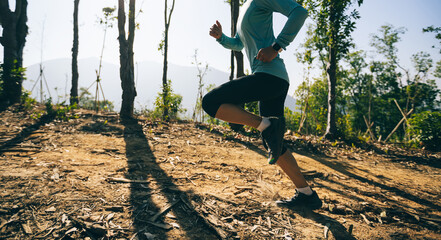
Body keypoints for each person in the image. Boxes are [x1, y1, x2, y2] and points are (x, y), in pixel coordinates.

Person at [202, 0, 322, 210]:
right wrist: (221, 39)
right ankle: (307, 194)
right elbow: (240, 44)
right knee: (273, 144)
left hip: (270, 77)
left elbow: (300, 12)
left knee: (210, 102)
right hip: (271, 79)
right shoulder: (246, 8)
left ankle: (265, 124)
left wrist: (276, 47)